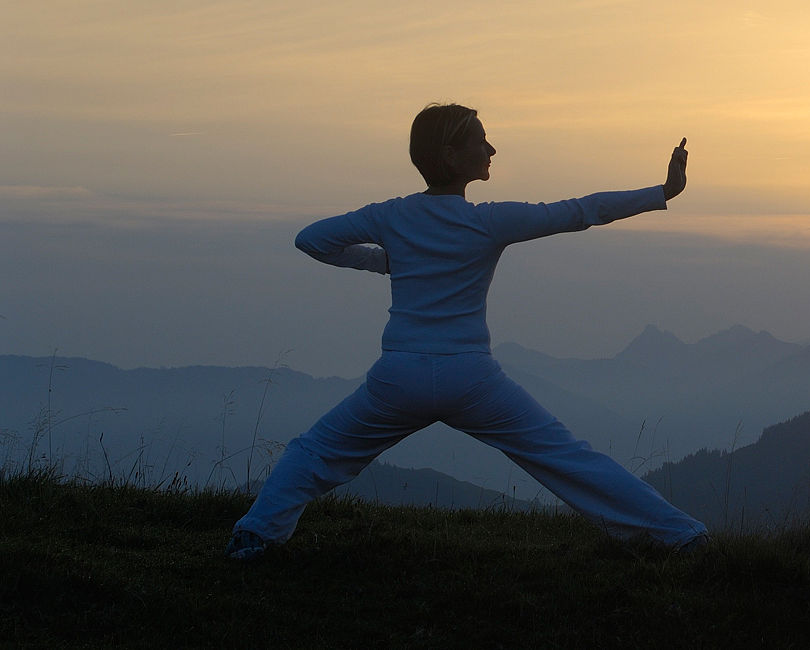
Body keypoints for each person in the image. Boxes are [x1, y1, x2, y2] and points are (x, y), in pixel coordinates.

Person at [225, 103, 707, 559]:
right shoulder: (488, 221)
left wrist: (385, 262)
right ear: (451, 156)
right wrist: (662, 192)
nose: (491, 149)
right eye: (482, 141)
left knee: (315, 452)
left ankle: (257, 534)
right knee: (565, 457)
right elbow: (580, 210)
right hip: (470, 378)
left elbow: (311, 240)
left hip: (401, 374)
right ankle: (679, 536)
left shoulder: (392, 214)